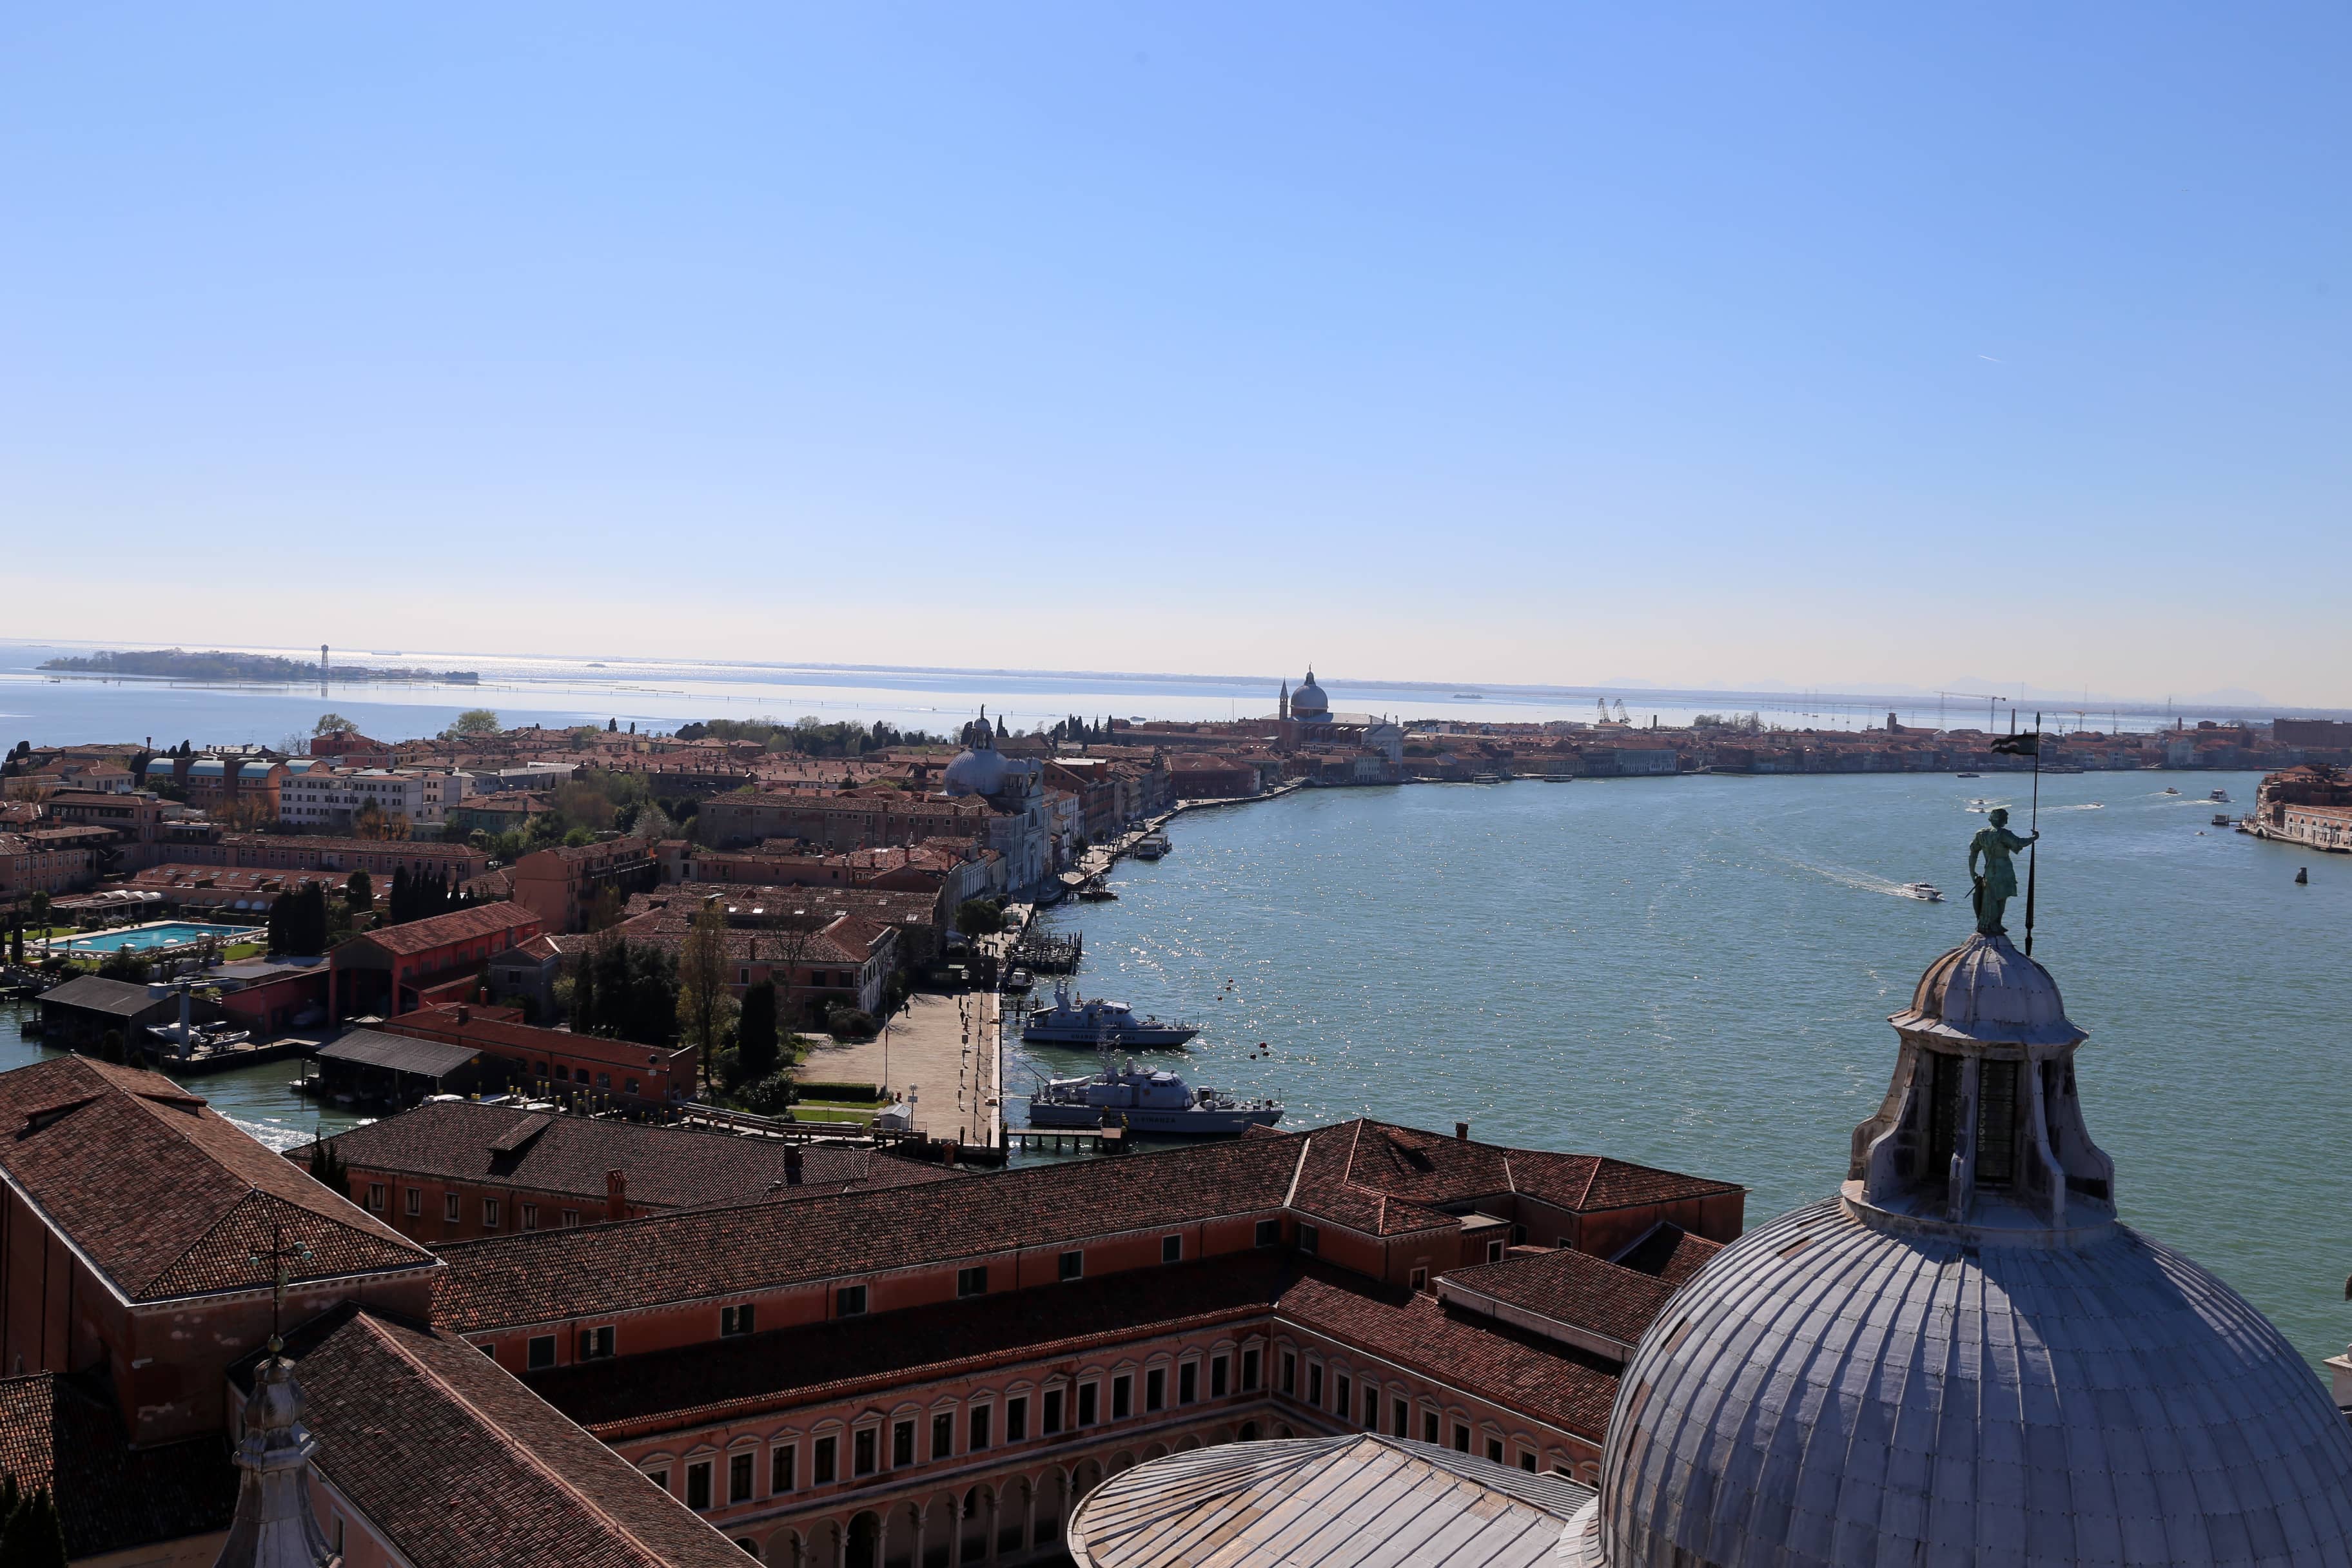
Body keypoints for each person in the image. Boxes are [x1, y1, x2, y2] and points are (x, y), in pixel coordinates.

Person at [1966, 808, 2038, 936]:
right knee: (2000, 899)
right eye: (2006, 817)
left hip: (1989, 871)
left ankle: (1990, 924)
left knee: (1990, 898)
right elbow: (2019, 843)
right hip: (2003, 871)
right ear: (2001, 819)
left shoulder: (1981, 834)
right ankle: (1993, 924)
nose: (2007, 820)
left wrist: (1973, 873)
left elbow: (1973, 854)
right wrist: (2034, 837)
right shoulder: (2004, 834)